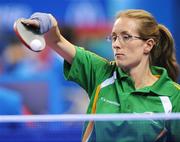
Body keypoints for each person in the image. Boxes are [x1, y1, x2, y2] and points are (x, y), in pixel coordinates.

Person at [20, 9, 180, 142]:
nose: (116, 44)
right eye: (114, 37)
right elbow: (56, 41)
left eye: (126, 37)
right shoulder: (101, 73)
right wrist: (47, 22)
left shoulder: (173, 96)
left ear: (148, 45)